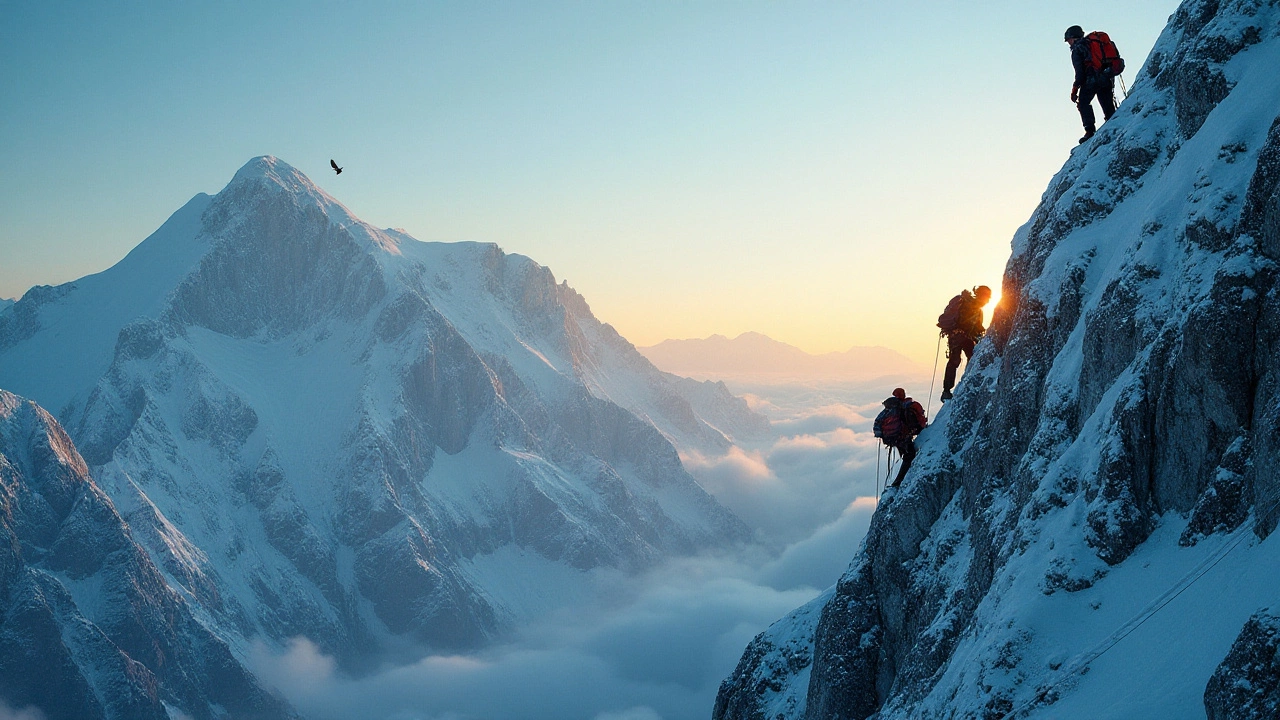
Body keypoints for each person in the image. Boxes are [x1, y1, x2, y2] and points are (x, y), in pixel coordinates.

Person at [937, 285, 992, 401]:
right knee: (963, 359)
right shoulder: (971, 306)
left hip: (957, 337)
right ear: (981, 296)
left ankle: (948, 390)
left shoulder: (973, 306)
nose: (988, 301)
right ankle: (955, 386)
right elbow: (973, 326)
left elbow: (975, 326)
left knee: (955, 361)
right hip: (961, 336)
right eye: (987, 298)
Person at [1065, 25, 1116, 144]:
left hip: (1091, 80)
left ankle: (1089, 131)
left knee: (1083, 103)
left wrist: (1074, 90)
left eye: (1069, 41)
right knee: (1106, 101)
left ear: (1073, 38)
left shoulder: (1077, 50)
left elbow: (1080, 73)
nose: (1069, 44)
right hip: (1105, 76)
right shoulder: (1093, 43)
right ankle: (1112, 121)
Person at [873, 388, 927, 488]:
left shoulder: (890, 407)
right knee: (909, 456)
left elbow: (878, 422)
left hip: (893, 439)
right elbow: (918, 421)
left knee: (906, 456)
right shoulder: (907, 406)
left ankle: (899, 480)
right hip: (902, 437)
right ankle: (898, 482)